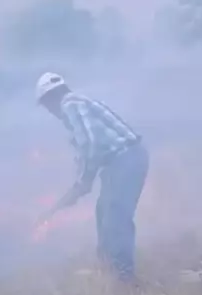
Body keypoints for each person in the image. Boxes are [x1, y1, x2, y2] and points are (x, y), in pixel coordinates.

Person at [35, 72, 149, 282]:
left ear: (50, 99)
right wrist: (79, 185)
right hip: (119, 163)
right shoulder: (77, 108)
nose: (51, 112)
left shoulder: (71, 103)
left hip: (125, 159)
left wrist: (85, 180)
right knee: (103, 213)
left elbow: (90, 144)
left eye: (47, 106)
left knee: (115, 218)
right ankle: (108, 271)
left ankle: (124, 281)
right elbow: (85, 152)